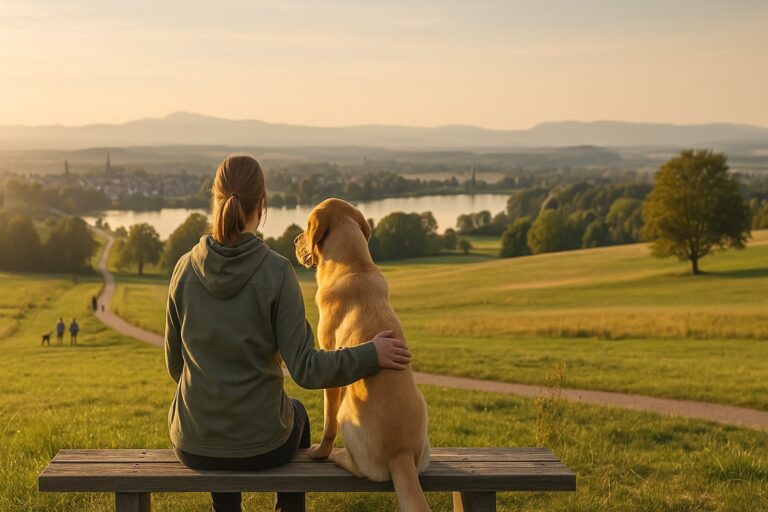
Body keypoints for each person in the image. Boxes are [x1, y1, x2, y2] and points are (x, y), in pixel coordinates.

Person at [165, 155, 411, 512]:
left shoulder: (183, 268)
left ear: (214, 199)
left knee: (222, 447)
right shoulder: (277, 272)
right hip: (263, 444)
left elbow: (175, 365)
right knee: (298, 413)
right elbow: (307, 370)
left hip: (192, 443)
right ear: (262, 206)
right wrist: (370, 353)